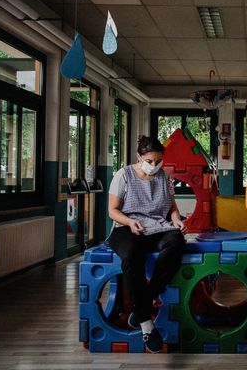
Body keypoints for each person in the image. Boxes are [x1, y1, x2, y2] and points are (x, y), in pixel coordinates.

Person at [106, 135, 187, 353]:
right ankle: (146, 324)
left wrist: (177, 220)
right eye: (149, 161)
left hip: (157, 226)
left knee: (177, 242)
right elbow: (112, 211)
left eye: (158, 161)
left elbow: (172, 207)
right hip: (127, 227)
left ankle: (146, 299)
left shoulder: (165, 176)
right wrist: (129, 222)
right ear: (139, 157)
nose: (154, 165)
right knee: (132, 255)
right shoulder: (123, 175)